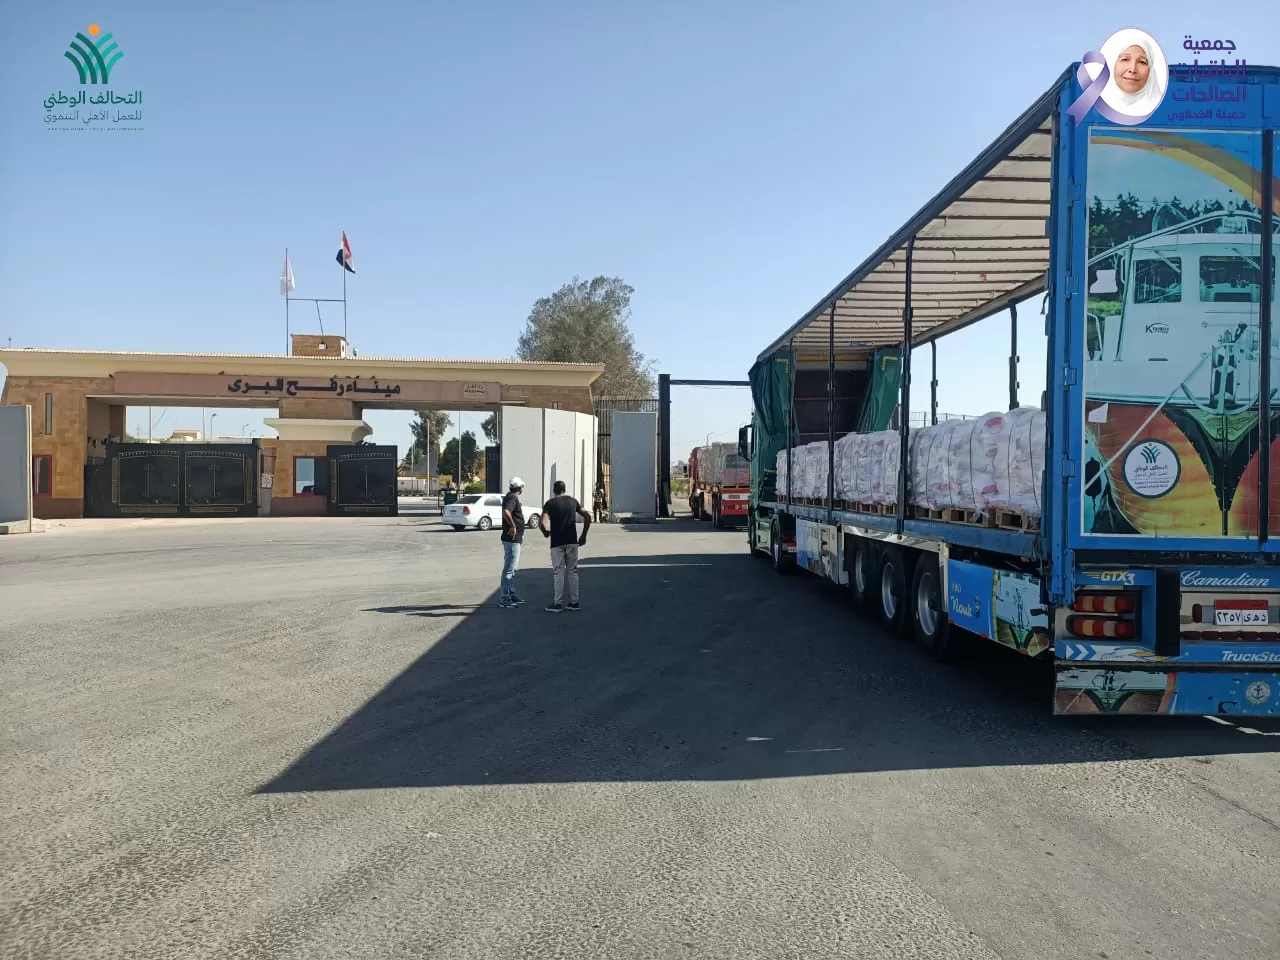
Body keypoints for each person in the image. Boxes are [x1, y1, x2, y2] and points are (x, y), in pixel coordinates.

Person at [539, 480, 592, 612]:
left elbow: (542, 522)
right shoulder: (573, 502)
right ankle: (575, 602)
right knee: (573, 571)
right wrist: (583, 535)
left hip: (557, 543)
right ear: (564, 489)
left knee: (558, 572)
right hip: (572, 541)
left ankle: (557, 603)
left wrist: (545, 532)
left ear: (554, 490)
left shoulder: (550, 504)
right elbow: (587, 516)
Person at [1103, 39, 1164, 116]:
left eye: (1142, 62)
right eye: (1125, 59)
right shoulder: (1095, 104)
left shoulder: (1164, 108)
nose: (1133, 69)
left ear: (1150, 70)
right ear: (1112, 64)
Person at [497, 477, 527, 609]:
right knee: (509, 569)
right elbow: (506, 512)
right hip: (512, 539)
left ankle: (512, 595)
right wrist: (513, 526)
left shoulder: (510, 497)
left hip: (513, 539)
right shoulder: (512, 498)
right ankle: (505, 598)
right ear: (519, 488)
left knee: (512, 569)